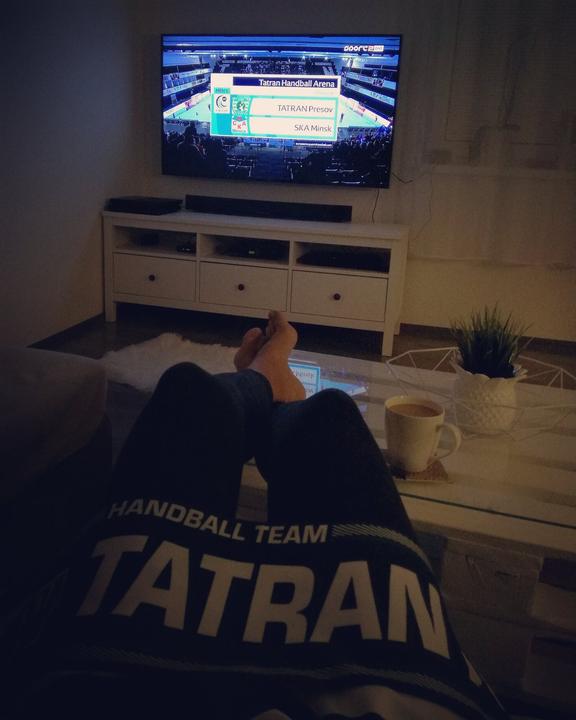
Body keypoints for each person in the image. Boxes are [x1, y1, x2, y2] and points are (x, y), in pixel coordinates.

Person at [2, 312, 508, 720]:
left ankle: (263, 380)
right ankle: (280, 391)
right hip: (390, 682)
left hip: (109, 675)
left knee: (187, 388)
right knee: (332, 413)